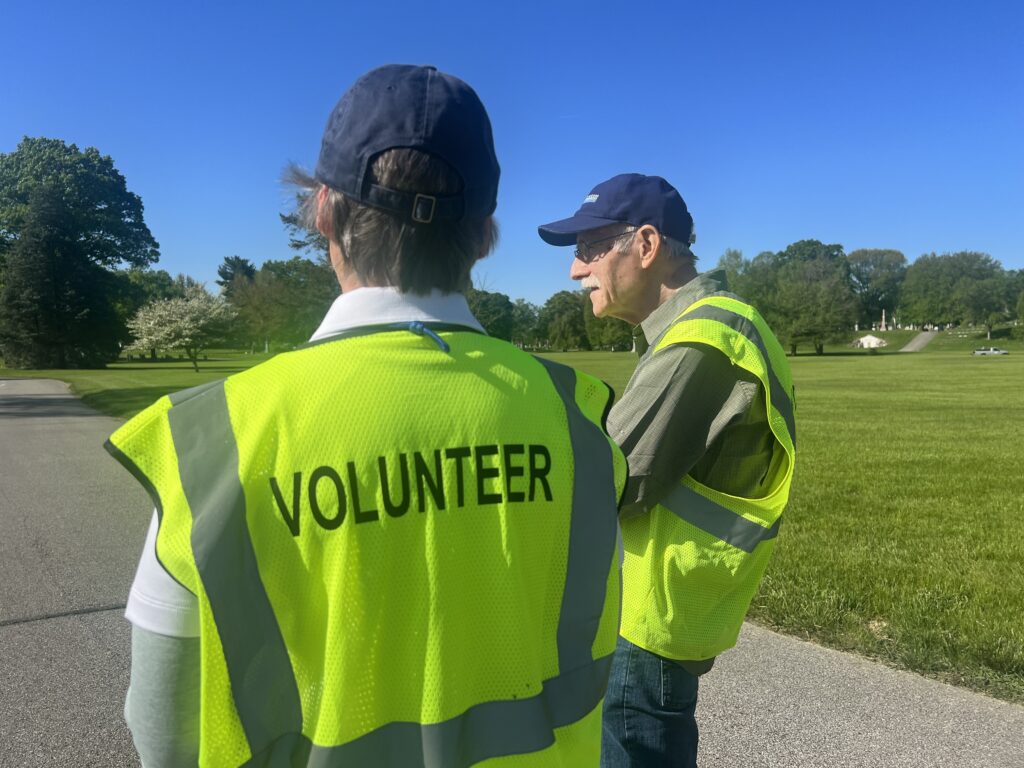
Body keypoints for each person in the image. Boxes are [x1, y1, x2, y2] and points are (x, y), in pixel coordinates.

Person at [108, 64, 627, 767]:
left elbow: (161, 723)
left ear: (324, 210)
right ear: (482, 236)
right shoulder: (581, 424)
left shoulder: (217, 441)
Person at [538, 174, 797, 767]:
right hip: (660, 605)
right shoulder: (705, 328)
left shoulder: (703, 340)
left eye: (588, 249)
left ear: (647, 245)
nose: (575, 271)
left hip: (645, 614)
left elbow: (605, 484)